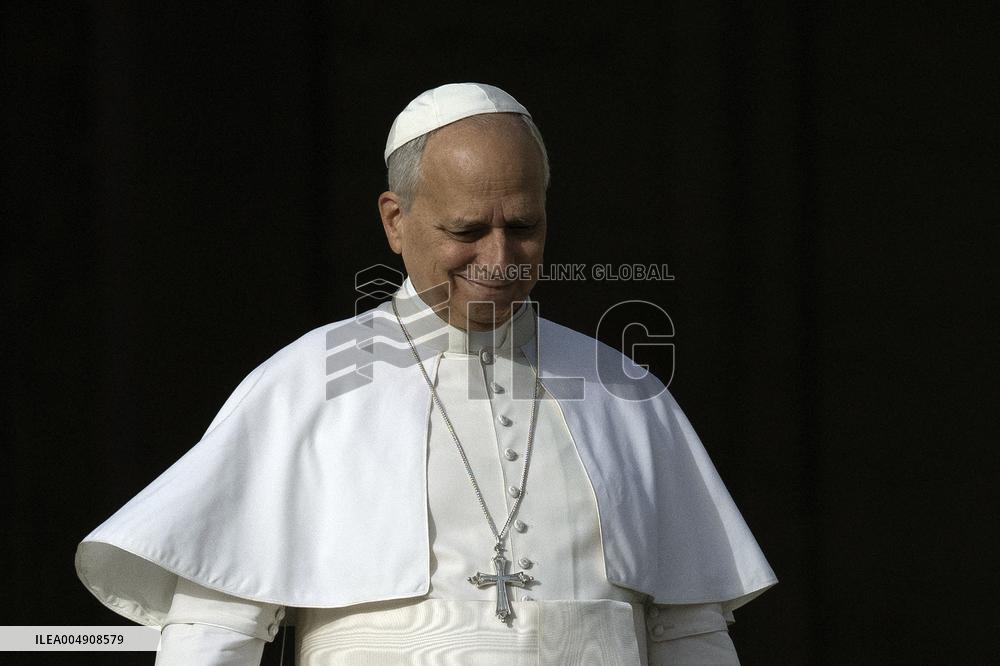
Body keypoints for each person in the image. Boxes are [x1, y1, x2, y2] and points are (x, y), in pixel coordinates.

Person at [76, 83, 776, 665]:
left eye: (524, 227)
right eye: (467, 231)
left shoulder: (625, 393)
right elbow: (213, 631)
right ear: (395, 220)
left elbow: (689, 632)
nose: (499, 259)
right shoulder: (302, 388)